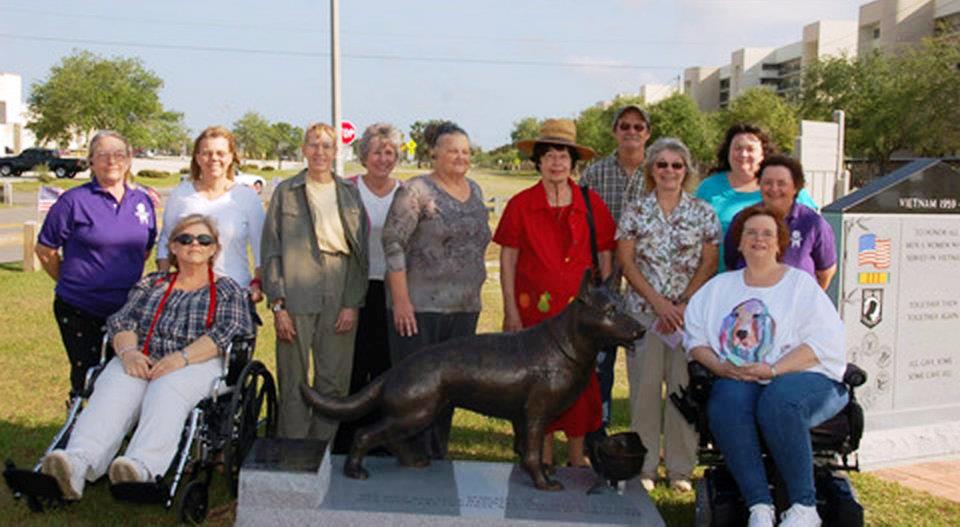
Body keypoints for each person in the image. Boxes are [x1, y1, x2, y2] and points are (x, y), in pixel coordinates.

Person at [40, 214, 253, 499]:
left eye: (204, 240)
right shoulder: (152, 284)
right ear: (173, 248)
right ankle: (77, 463)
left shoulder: (227, 290)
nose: (195, 245)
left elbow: (230, 330)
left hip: (200, 362)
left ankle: (141, 467)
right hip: (144, 355)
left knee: (168, 388)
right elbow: (122, 321)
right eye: (185, 239)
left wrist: (180, 359)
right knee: (114, 387)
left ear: (214, 248)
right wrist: (129, 354)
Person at [684, 205, 848, 527]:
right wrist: (720, 367)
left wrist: (774, 370)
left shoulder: (801, 286)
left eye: (767, 233)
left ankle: (804, 508)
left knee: (780, 398)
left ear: (779, 244)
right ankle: (759, 506)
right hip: (740, 377)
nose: (759, 239)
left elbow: (821, 345)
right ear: (740, 243)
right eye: (751, 233)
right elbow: (695, 342)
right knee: (726, 402)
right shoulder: (718, 288)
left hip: (807, 376)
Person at [495, 118, 615, 468]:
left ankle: (577, 460)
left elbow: (605, 256)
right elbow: (508, 258)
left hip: (579, 319)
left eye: (563, 155)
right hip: (534, 312)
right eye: (548, 155)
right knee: (537, 384)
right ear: (539, 162)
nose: (556, 162)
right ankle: (541, 456)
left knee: (579, 383)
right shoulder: (520, 204)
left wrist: (602, 308)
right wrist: (510, 310)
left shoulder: (591, 203)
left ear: (573, 162)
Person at [382, 121, 491, 459]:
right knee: (417, 388)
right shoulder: (416, 191)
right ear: (435, 154)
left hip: (463, 309)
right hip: (419, 309)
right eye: (452, 150)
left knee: (450, 388)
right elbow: (393, 242)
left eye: (465, 151)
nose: (460, 157)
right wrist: (401, 301)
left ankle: (437, 453)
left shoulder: (475, 191)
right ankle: (408, 454)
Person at [616, 137, 719, 492]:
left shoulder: (702, 212)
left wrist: (682, 303)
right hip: (645, 314)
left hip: (688, 318)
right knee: (644, 392)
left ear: (686, 170)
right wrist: (659, 303)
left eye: (677, 165)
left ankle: (679, 469)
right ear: (651, 170)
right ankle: (644, 465)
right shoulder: (635, 210)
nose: (669, 171)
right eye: (662, 165)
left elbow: (709, 261)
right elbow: (626, 262)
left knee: (682, 390)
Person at [261, 122, 369, 441]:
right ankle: (293, 449)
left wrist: (352, 303)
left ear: (336, 152)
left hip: (340, 281)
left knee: (333, 376)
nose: (320, 151)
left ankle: (322, 448)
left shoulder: (349, 193)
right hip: (297, 284)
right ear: (304, 150)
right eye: (314, 145)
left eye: (326, 146)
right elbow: (271, 251)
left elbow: (361, 254)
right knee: (293, 373)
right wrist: (278, 304)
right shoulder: (286, 192)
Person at [35, 130, 157, 394]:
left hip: (128, 310)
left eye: (118, 154)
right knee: (88, 375)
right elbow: (45, 250)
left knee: (126, 375)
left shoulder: (142, 202)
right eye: (102, 155)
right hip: (80, 307)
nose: (111, 161)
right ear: (91, 162)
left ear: (128, 161)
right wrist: (70, 279)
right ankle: (79, 424)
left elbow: (144, 250)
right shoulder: (73, 202)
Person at [580, 103, 652, 428]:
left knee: (648, 363)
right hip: (603, 277)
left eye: (638, 127)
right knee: (600, 359)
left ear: (647, 133)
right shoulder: (594, 174)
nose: (631, 132)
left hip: (648, 280)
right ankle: (599, 426)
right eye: (625, 126)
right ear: (615, 131)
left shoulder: (660, 171)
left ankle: (645, 437)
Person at [332, 123, 402, 455]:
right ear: (363, 156)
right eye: (377, 152)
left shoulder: (406, 193)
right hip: (353, 291)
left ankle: (382, 438)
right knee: (355, 365)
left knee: (387, 364)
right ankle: (347, 438)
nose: (383, 158)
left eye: (389, 153)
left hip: (392, 292)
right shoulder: (346, 190)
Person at [157, 126, 264, 300]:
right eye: (207, 153)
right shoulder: (181, 194)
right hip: (187, 294)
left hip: (235, 294)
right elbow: (165, 241)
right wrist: (162, 278)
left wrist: (257, 284)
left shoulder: (247, 198)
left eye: (220, 153)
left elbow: (261, 250)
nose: (214, 159)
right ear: (198, 158)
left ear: (231, 157)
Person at [696, 123, 817, 271]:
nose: (743, 154)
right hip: (723, 282)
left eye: (750, 149)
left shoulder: (788, 188)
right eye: (737, 148)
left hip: (785, 284)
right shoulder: (708, 188)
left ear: (763, 154)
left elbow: (816, 241)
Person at [724, 155, 837, 290]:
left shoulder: (813, 223)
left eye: (781, 183)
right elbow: (731, 264)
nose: (774, 189)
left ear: (795, 187)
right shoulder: (743, 220)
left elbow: (826, 271)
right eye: (767, 182)